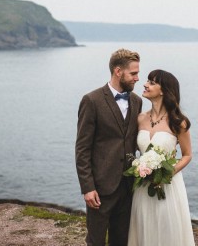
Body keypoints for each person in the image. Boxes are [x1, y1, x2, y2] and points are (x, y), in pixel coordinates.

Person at [75, 48, 143, 246]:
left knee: (121, 240)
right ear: (118, 71)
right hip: (101, 188)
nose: (137, 78)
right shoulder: (92, 100)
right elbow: (82, 148)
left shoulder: (137, 101)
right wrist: (88, 188)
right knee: (95, 241)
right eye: (133, 73)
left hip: (128, 186)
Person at [128, 69, 195, 246]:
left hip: (168, 185)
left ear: (164, 90)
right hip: (143, 186)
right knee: (144, 227)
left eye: (151, 82)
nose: (145, 84)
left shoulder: (178, 122)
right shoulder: (140, 118)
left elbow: (187, 155)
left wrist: (167, 173)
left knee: (167, 230)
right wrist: (141, 168)